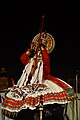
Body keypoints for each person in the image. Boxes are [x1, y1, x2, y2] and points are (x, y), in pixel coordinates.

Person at [1, 33, 76, 120]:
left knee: (42, 103)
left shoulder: (44, 64)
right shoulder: (30, 62)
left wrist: (42, 48)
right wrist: (30, 50)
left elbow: (46, 60)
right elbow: (23, 59)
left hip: (41, 83)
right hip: (27, 84)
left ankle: (45, 113)